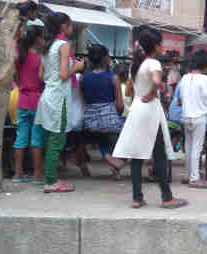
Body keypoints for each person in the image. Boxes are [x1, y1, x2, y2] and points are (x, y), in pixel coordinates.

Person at [113, 28, 187, 209]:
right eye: (161, 43)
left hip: (137, 109)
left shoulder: (137, 64)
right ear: (155, 45)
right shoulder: (154, 63)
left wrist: (152, 90)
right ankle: (167, 197)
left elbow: (133, 87)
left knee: (137, 155)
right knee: (159, 154)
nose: (163, 46)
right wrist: (157, 90)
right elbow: (155, 80)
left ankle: (137, 197)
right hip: (150, 111)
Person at [34, 12, 84, 193]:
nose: (71, 29)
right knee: (57, 139)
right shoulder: (63, 45)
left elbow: (41, 75)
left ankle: (51, 178)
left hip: (48, 96)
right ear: (64, 26)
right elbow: (64, 75)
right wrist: (76, 67)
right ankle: (50, 181)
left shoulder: (47, 47)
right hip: (59, 99)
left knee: (51, 139)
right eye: (71, 25)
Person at [81, 44, 126, 180]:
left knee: (101, 134)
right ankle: (115, 161)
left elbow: (85, 101)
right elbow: (120, 105)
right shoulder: (113, 78)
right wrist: (115, 115)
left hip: (89, 120)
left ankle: (107, 156)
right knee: (124, 129)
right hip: (109, 120)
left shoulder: (84, 78)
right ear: (106, 58)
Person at [12, 25, 46, 184]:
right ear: (38, 39)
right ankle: (37, 174)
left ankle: (18, 174)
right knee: (37, 138)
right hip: (37, 100)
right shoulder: (40, 58)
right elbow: (41, 79)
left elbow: (17, 79)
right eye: (43, 38)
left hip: (22, 100)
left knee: (21, 138)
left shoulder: (21, 57)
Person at [178, 50, 207, 189]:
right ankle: (194, 178)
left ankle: (188, 175)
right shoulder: (206, 80)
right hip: (199, 117)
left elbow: (181, 98)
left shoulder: (184, 78)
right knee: (196, 148)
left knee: (188, 146)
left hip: (186, 116)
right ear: (205, 65)